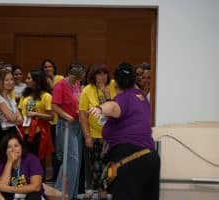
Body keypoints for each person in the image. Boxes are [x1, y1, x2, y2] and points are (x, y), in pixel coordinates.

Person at [88, 63, 160, 200]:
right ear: (134, 81)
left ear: (116, 84)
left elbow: (114, 107)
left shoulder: (123, 98)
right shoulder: (141, 97)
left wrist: (99, 108)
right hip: (150, 158)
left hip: (131, 161)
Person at [79, 64, 116, 199]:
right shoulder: (87, 91)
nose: (102, 77)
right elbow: (82, 115)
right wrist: (87, 136)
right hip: (95, 134)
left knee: (111, 163)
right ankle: (101, 189)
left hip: (113, 134)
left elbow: (116, 108)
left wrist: (106, 93)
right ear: (93, 76)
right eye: (99, 74)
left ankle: (109, 187)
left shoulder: (113, 86)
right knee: (97, 165)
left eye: (104, 73)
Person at [52, 61, 84, 200]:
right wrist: (67, 116)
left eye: (79, 79)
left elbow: (79, 101)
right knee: (71, 159)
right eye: (75, 78)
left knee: (75, 161)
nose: (76, 81)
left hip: (78, 124)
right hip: (66, 125)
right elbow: (54, 106)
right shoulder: (60, 85)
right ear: (70, 74)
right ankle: (60, 194)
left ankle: (71, 194)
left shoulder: (77, 85)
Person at [18, 68, 54, 171]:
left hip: (39, 132)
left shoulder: (46, 96)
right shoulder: (25, 95)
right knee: (24, 158)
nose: (26, 80)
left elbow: (51, 116)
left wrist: (36, 114)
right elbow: (20, 111)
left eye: (29, 78)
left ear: (36, 80)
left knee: (38, 159)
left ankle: (39, 183)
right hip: (24, 131)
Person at [0, 133, 46, 200]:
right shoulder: (0, 163)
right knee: (1, 195)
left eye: (16, 146)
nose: (13, 149)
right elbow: (1, 186)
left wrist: (9, 189)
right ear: (5, 150)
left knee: (34, 196)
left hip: (29, 195)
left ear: (21, 147)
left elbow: (36, 187)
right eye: (9, 147)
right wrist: (9, 162)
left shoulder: (32, 159)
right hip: (11, 196)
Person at [40, 59, 64, 181]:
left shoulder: (60, 78)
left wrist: (50, 84)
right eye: (45, 67)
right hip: (46, 120)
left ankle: (57, 176)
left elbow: (60, 94)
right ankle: (49, 175)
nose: (47, 68)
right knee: (48, 150)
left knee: (57, 149)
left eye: (49, 66)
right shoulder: (41, 80)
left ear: (54, 68)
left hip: (59, 119)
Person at [0, 68, 23, 161]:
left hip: (13, 131)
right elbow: (12, 117)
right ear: (0, 82)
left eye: (11, 79)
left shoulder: (9, 96)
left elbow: (20, 119)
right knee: (6, 160)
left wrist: (13, 117)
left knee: (15, 159)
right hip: (4, 134)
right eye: (6, 80)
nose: (10, 82)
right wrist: (13, 117)